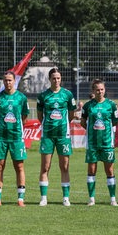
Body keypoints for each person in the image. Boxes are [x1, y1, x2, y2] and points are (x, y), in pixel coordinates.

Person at [36, 68, 76, 207]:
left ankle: (66, 198)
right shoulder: (43, 96)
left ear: (61, 79)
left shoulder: (68, 94)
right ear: (50, 79)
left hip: (63, 135)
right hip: (47, 135)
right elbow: (40, 116)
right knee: (45, 167)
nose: (56, 80)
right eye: (54, 78)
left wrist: (62, 126)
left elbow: (71, 115)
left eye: (58, 78)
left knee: (64, 166)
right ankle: (43, 198)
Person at [0, 71, 29, 207]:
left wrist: (16, 127)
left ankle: (20, 199)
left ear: (14, 81)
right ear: (3, 81)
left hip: (17, 137)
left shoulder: (22, 98)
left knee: (19, 166)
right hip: (1, 137)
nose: (8, 83)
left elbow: (24, 118)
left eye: (10, 80)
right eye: (5, 80)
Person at [81, 79, 118, 206]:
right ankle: (91, 199)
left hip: (107, 143)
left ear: (105, 90)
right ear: (93, 91)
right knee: (91, 170)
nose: (100, 92)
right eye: (97, 89)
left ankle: (113, 199)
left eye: (102, 89)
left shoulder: (111, 105)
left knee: (109, 171)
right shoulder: (88, 106)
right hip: (92, 143)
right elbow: (83, 121)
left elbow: (115, 121)